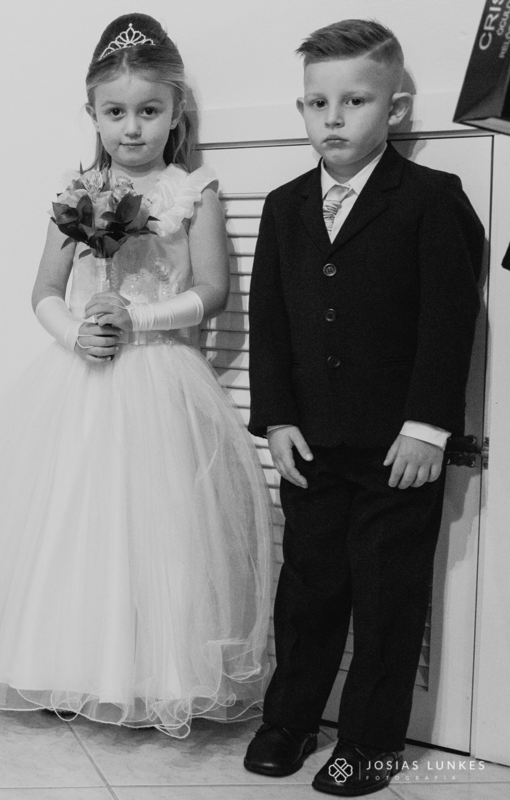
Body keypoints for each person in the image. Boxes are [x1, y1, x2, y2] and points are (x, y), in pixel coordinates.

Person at [0, 13, 273, 739]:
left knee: (155, 522)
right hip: (81, 377)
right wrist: (78, 331)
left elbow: (215, 292)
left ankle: (145, 674)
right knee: (70, 514)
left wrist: (139, 320)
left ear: (176, 114)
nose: (132, 128)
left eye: (149, 111)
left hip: (159, 374)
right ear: (93, 115)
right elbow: (41, 289)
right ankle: (50, 663)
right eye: (115, 113)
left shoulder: (192, 191)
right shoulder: (76, 191)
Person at [243, 19, 483, 797]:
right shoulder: (283, 208)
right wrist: (275, 418)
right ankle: (289, 720)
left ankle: (373, 743)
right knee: (306, 590)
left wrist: (427, 425)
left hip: (396, 448)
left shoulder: (432, 200)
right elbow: (268, 321)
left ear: (398, 108)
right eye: (317, 103)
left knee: (385, 597)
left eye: (354, 100)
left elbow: (451, 322)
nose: (333, 119)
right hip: (310, 442)